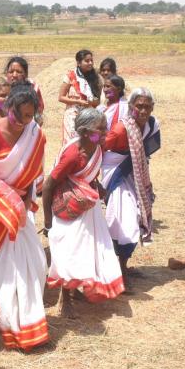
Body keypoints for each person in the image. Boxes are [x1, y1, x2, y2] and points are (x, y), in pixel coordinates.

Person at [0, 85, 49, 350]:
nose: (22, 122)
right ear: (7, 107)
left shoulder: (34, 134)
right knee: (4, 264)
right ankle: (14, 325)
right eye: (18, 114)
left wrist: (25, 199)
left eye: (28, 116)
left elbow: (34, 171)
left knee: (34, 262)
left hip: (20, 205)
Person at [42, 108, 124, 316]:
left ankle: (78, 287)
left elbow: (88, 174)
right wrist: (48, 221)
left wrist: (97, 185)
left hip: (87, 205)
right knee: (69, 251)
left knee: (87, 249)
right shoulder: (73, 154)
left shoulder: (97, 147)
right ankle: (65, 299)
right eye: (100, 129)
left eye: (105, 128)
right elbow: (49, 185)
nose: (105, 132)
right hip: (68, 209)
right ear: (85, 132)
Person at [102, 87, 161, 282]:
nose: (143, 111)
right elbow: (100, 146)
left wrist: (137, 163)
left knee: (136, 216)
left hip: (136, 175)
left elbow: (147, 149)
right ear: (131, 107)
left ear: (152, 108)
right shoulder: (121, 128)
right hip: (117, 175)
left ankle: (123, 265)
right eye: (139, 106)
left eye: (147, 107)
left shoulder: (152, 125)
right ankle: (117, 269)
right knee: (122, 220)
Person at [58, 49, 101, 145]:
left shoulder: (96, 78)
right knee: (72, 143)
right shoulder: (71, 76)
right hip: (72, 115)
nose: (90, 63)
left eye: (91, 60)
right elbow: (61, 97)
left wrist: (91, 102)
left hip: (89, 116)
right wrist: (78, 102)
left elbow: (98, 101)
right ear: (78, 63)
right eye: (87, 61)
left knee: (87, 143)